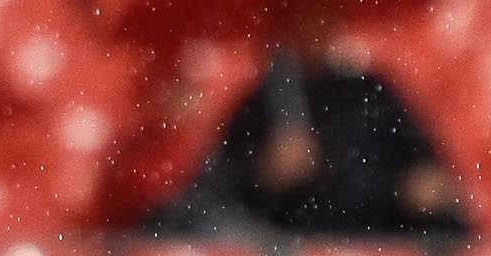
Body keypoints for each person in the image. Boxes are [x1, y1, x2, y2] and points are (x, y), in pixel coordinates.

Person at [152, 29, 471, 242]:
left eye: (320, 13)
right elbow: (223, 187)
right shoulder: (260, 102)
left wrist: (414, 186)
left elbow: (425, 168)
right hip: (295, 253)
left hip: (377, 241)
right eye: (299, 14)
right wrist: (267, 176)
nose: (310, 26)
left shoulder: (372, 91)